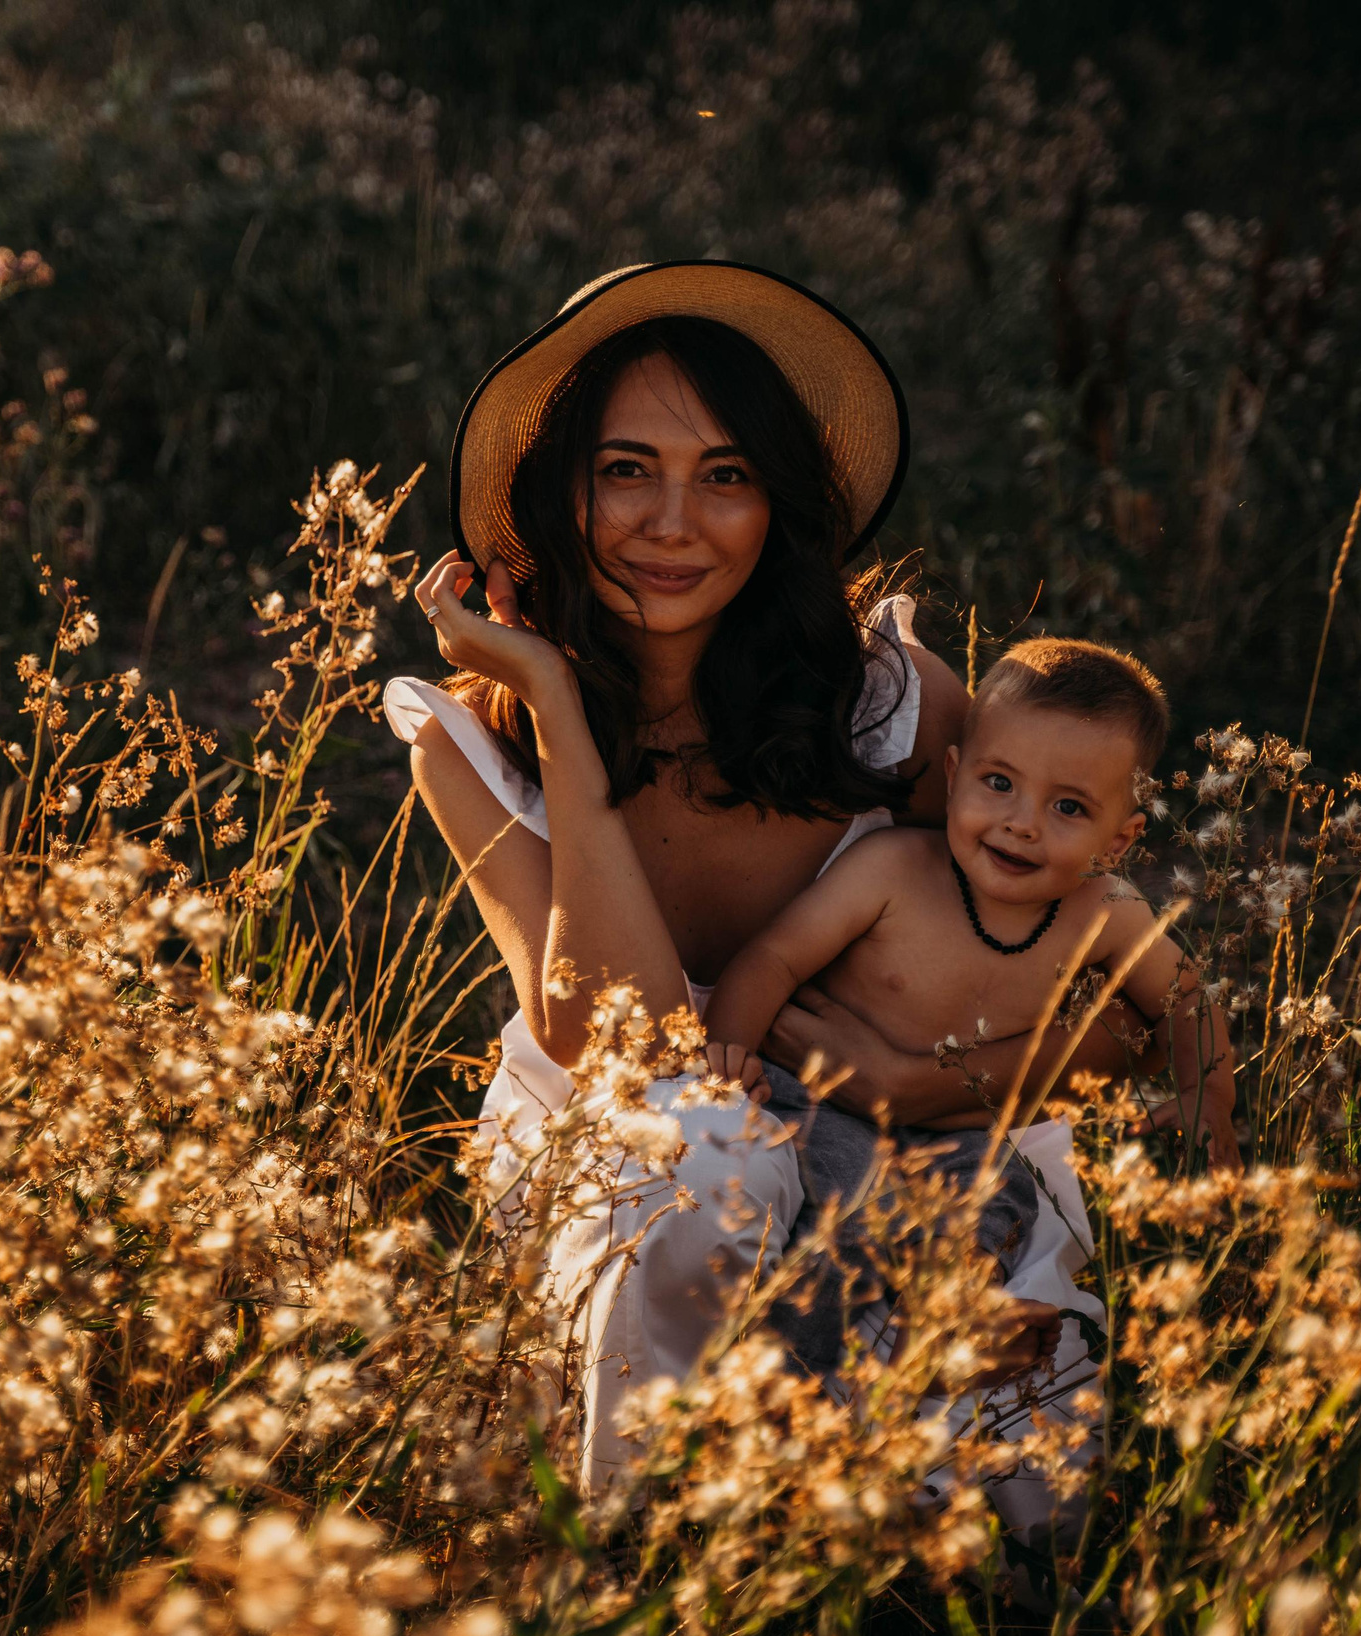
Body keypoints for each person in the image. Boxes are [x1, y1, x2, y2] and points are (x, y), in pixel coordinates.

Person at [383, 261, 1122, 1496]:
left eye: (724, 477)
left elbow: (1068, 999)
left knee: (997, 1509)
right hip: (616, 1169)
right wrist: (561, 712)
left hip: (890, 1143)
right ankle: (640, 1584)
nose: (673, 523)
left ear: (777, 505)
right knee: (702, 1151)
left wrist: (908, 1079)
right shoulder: (471, 742)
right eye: (627, 471)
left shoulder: (892, 714)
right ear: (558, 495)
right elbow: (619, 1042)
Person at [703, 637, 1241, 1375]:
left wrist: (1204, 1090)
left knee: (1000, 1200)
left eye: (1068, 807)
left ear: (1117, 841)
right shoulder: (892, 870)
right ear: (953, 775)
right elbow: (774, 956)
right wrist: (726, 1052)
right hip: (826, 1104)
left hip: (964, 1136)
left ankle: (958, 1318)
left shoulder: (1106, 912)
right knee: (846, 1218)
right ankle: (784, 1383)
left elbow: (1185, 997)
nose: (1023, 823)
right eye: (998, 783)